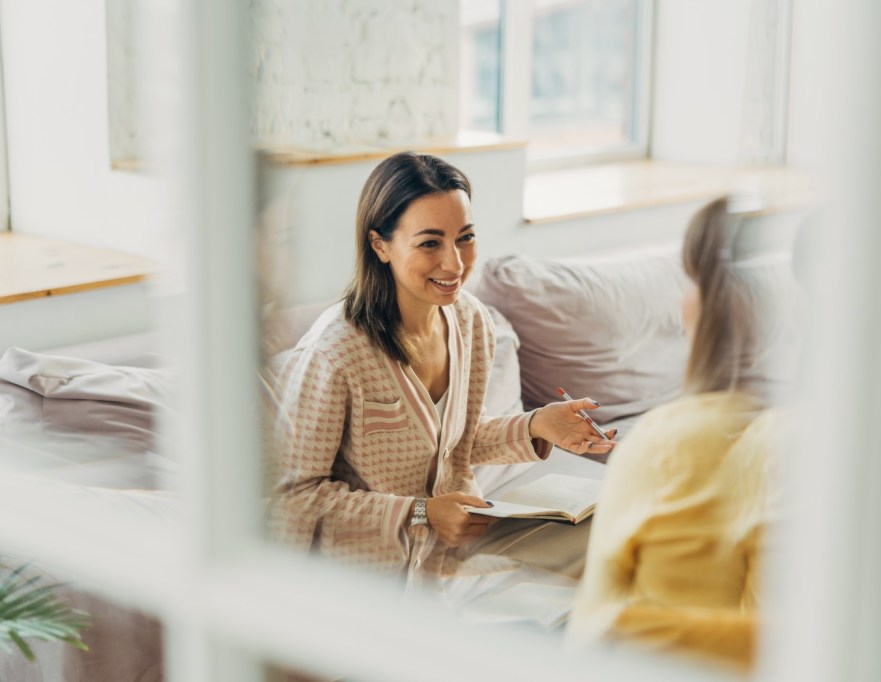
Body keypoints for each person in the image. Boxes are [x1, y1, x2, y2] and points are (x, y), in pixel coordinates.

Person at [266, 151, 616, 583]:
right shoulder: (336, 351)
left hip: (448, 568)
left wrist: (537, 426)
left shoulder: (472, 323)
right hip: (362, 583)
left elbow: (456, 443)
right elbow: (293, 497)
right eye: (430, 242)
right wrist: (421, 513)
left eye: (465, 237)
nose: (454, 263)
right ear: (380, 245)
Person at [566, 196, 799, 670]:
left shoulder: (662, 444)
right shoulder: (822, 438)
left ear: (702, 306)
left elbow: (594, 632)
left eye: (689, 283)